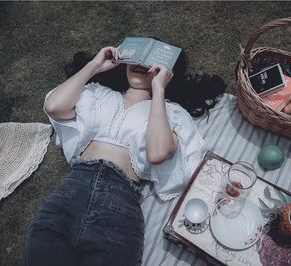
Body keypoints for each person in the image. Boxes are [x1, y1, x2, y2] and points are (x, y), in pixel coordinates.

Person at [23, 44, 225, 266]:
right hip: (70, 195)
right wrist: (95, 65)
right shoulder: (97, 93)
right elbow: (53, 106)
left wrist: (159, 90)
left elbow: (158, 153)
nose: (140, 64)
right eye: (137, 56)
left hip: (119, 208)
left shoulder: (170, 113)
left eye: (152, 60)